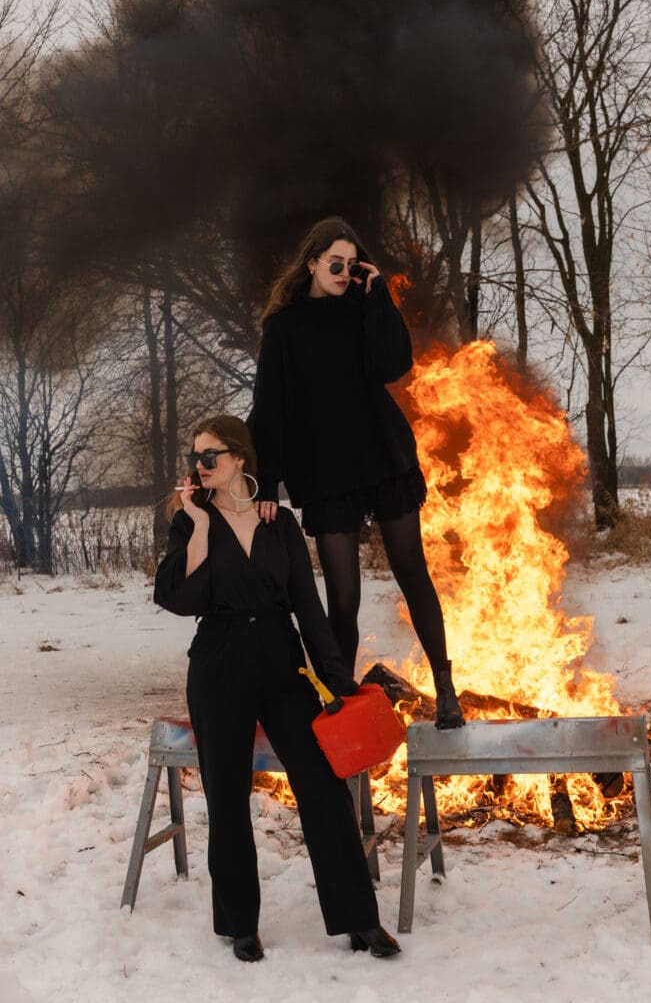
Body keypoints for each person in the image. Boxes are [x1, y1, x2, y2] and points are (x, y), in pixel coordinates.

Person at [154, 415, 400, 962]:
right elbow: (177, 598)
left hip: (281, 665)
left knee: (321, 785)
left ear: (240, 459)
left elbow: (307, 608)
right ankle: (240, 923)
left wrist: (338, 684)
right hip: (218, 664)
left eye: (210, 455)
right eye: (195, 458)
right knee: (226, 792)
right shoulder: (191, 521)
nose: (200, 466)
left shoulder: (278, 523)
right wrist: (195, 524)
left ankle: (360, 920)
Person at [247, 216, 465, 729]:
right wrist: (266, 482)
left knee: (413, 570)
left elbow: (395, 366)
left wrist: (378, 296)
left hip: (382, 454)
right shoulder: (284, 327)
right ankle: (340, 698)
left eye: (351, 264)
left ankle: (446, 687)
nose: (343, 273)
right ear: (313, 264)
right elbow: (269, 408)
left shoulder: (364, 309)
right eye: (335, 264)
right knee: (343, 596)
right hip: (325, 468)